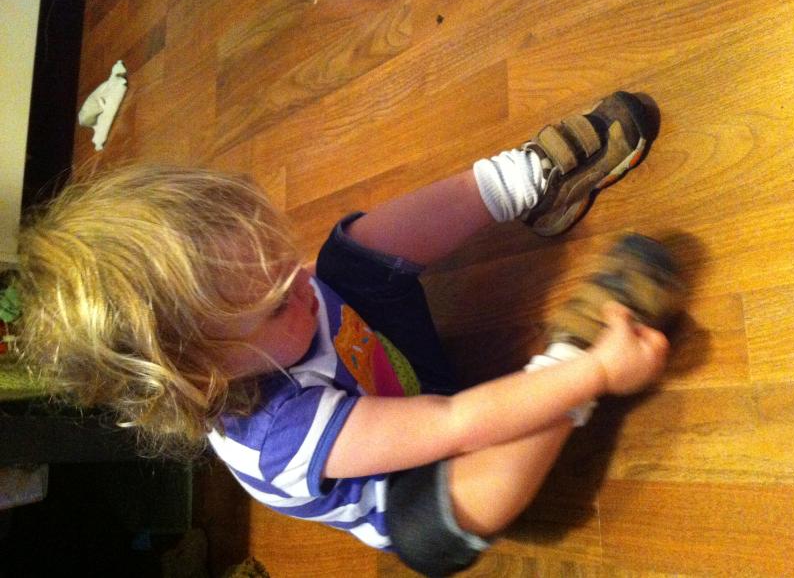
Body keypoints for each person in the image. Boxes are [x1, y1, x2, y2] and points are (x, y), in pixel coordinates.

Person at [15, 92, 682, 576]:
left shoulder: (267, 308)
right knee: (434, 531)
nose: (300, 282)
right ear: (204, 373)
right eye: (277, 301)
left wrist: (294, 290)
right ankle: (573, 359)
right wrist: (594, 374)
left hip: (392, 367)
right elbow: (452, 425)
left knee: (350, 252)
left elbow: (312, 283)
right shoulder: (278, 434)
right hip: (417, 464)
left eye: (280, 256)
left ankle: (529, 178)